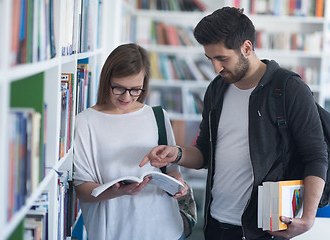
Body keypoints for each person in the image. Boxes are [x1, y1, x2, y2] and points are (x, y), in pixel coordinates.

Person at [140, 7, 328, 240]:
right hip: (216, 223)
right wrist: (176, 153)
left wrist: (308, 218)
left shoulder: (288, 88)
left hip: (265, 228)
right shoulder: (217, 89)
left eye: (222, 58)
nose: (216, 68)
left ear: (246, 48)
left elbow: (316, 156)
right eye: (210, 59)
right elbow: (204, 153)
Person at [72, 43, 187, 240]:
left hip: (164, 228)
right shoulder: (85, 122)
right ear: (107, 80)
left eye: (135, 90)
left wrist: (178, 181)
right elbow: (82, 190)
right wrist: (119, 192)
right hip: (113, 231)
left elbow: (170, 169)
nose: (127, 97)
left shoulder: (157, 116)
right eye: (119, 88)